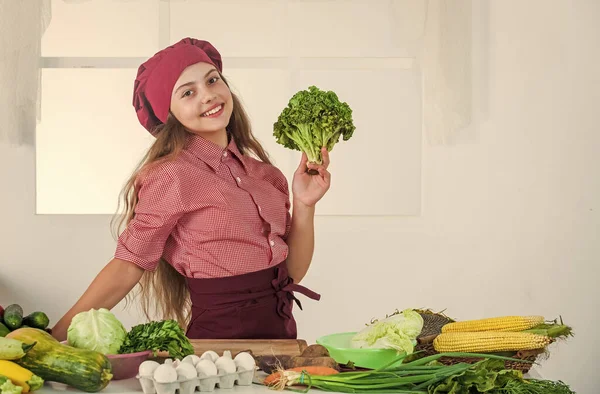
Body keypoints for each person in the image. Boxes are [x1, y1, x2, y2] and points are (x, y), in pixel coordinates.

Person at [51, 38, 331, 341]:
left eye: (213, 80)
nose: (208, 95)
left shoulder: (266, 176)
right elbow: (127, 266)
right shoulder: (171, 176)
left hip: (282, 343)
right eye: (188, 92)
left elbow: (290, 274)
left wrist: (304, 203)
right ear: (169, 114)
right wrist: (53, 338)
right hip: (214, 351)